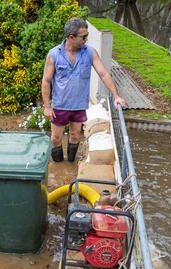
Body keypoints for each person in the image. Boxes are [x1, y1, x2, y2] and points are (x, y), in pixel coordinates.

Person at [41, 17, 126, 163]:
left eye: (87, 36)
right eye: (83, 37)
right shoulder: (54, 54)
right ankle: (58, 165)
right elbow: (46, 81)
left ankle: (71, 164)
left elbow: (104, 74)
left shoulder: (90, 53)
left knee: (75, 136)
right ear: (71, 37)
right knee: (56, 139)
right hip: (60, 106)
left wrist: (116, 96)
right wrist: (47, 106)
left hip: (79, 105)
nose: (86, 39)